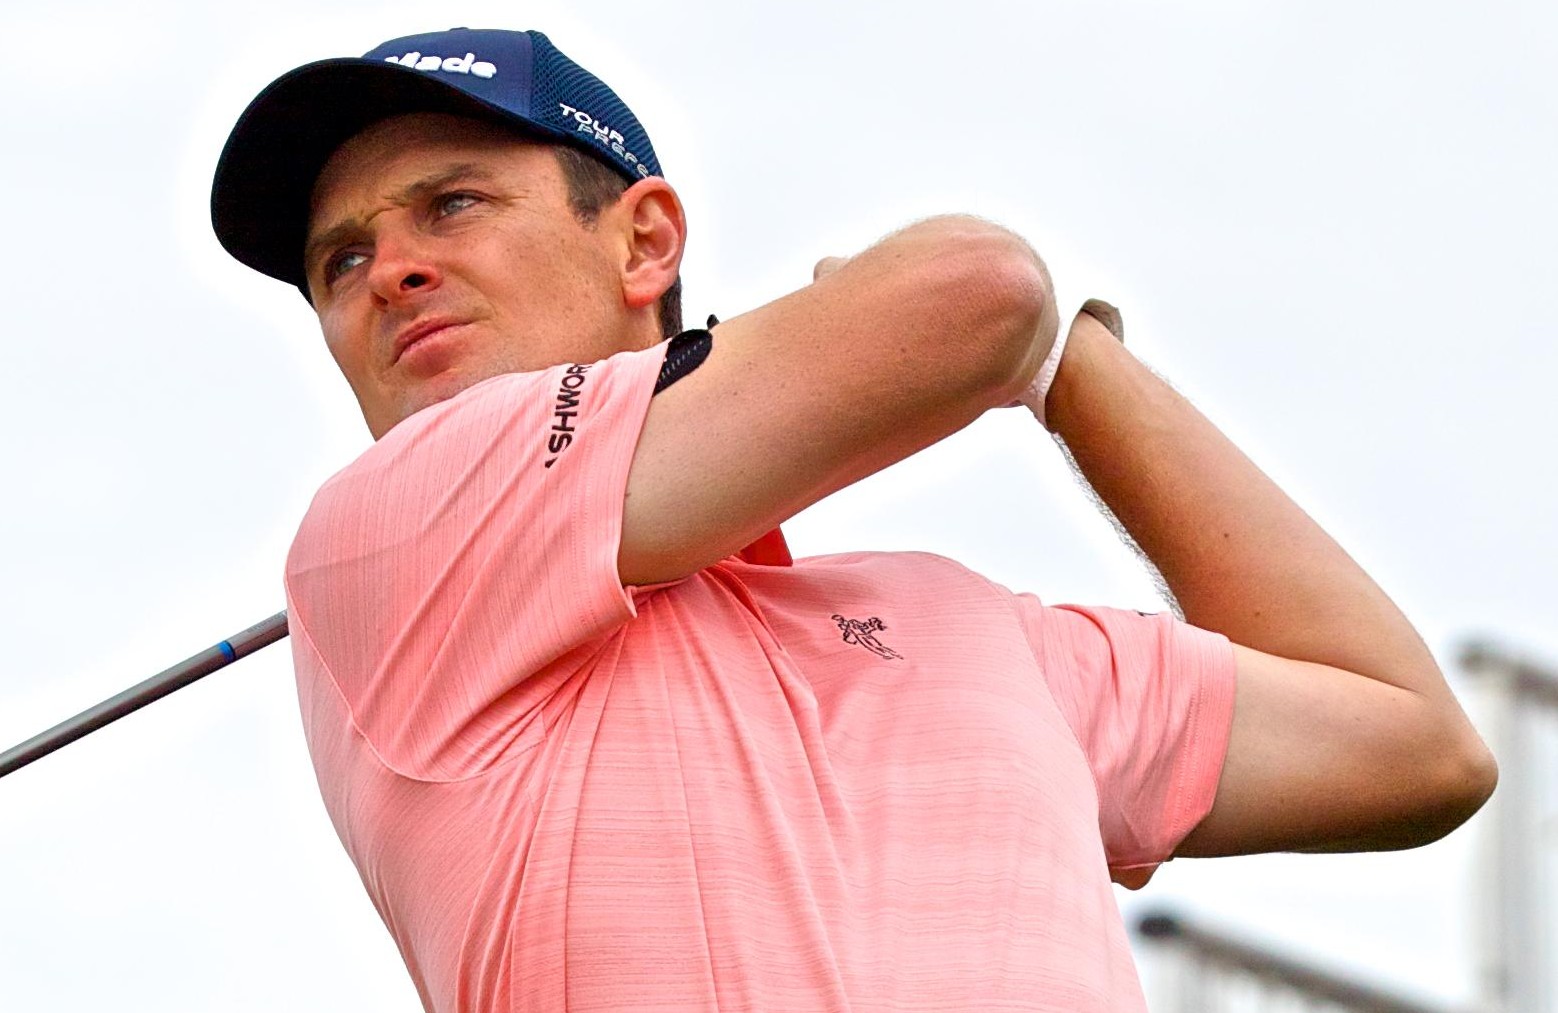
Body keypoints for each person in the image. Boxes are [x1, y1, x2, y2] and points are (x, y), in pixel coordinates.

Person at [210, 27, 1497, 1013]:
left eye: (452, 203)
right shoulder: (385, 532)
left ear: (644, 241)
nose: (390, 272)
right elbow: (974, 291)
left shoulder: (965, 625)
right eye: (340, 260)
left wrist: (1072, 371)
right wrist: (997, 337)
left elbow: (1410, 743)